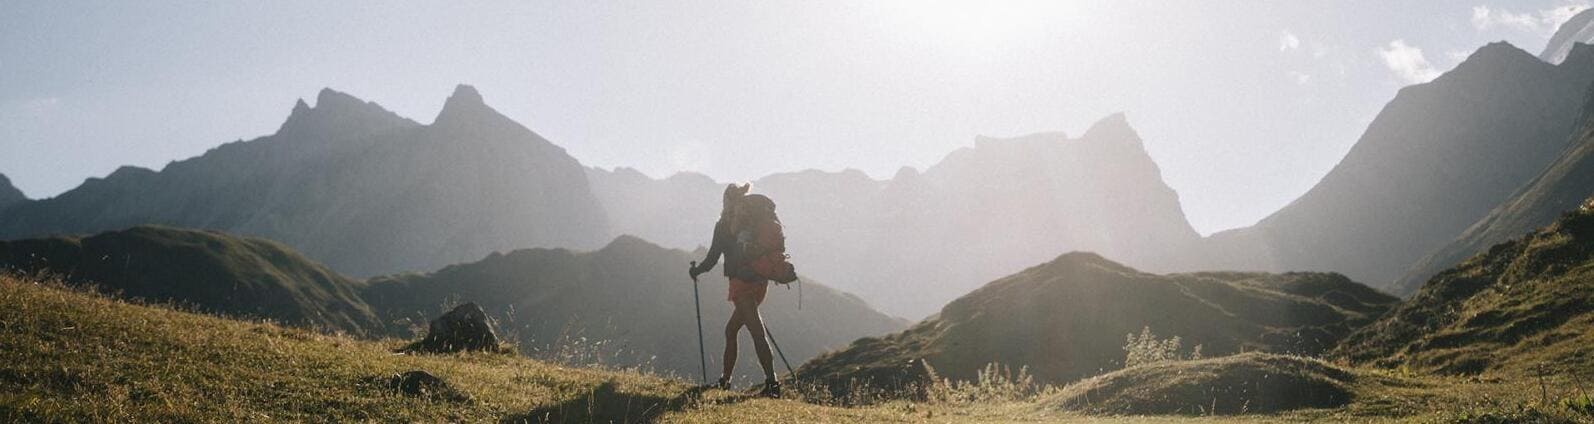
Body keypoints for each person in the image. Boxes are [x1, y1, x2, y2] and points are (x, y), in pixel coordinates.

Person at [689, 183, 781, 397]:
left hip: (742, 285)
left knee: (757, 332)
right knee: (731, 330)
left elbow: (713, 258)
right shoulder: (752, 223)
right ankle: (725, 380)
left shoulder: (723, 226)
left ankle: (772, 384)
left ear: (726, 201)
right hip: (759, 283)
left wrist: (697, 271)